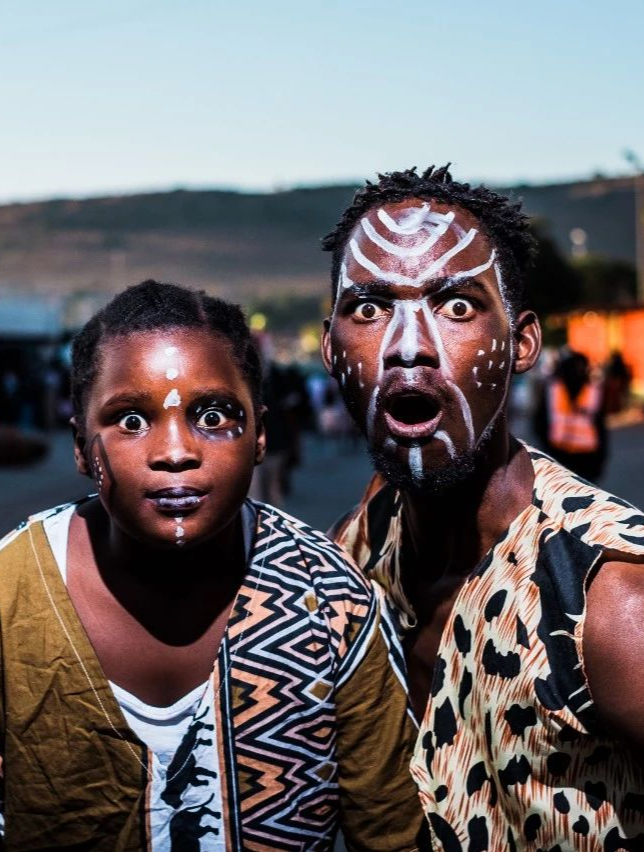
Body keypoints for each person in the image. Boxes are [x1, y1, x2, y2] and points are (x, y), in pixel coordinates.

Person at [0, 280, 426, 851]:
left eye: (214, 415)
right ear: (81, 446)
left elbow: (392, 831)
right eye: (130, 420)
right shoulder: (12, 593)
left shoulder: (330, 600)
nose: (175, 451)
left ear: (260, 436)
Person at [321, 166, 644, 850]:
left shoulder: (607, 597)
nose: (408, 344)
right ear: (330, 348)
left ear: (522, 343)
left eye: (458, 306)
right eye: (370, 307)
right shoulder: (357, 549)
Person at [545, 350, 607, 481]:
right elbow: (540, 420)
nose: (577, 371)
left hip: (587, 454)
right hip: (559, 451)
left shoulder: (593, 391)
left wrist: (600, 457)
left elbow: (600, 425)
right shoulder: (554, 389)